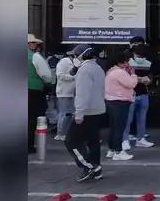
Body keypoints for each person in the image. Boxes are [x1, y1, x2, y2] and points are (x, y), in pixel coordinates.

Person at [66, 44, 105, 182]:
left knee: (71, 141)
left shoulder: (84, 70)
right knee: (93, 141)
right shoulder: (98, 68)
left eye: (75, 55)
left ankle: (89, 167)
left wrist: (79, 114)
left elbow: (83, 94)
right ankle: (97, 168)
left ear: (82, 55)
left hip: (86, 111)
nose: (73, 58)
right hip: (98, 109)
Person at [104, 50, 140, 161]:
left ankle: (111, 149)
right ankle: (118, 152)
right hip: (120, 102)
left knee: (114, 127)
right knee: (119, 128)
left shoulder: (111, 71)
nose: (129, 63)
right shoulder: (119, 72)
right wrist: (133, 74)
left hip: (111, 101)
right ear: (123, 62)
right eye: (128, 61)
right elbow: (131, 83)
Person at [124, 37, 155, 149]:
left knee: (142, 118)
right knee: (128, 119)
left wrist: (149, 79)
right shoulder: (127, 61)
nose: (141, 57)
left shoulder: (149, 61)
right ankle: (125, 140)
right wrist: (138, 79)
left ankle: (140, 138)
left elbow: (152, 74)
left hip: (143, 93)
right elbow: (123, 76)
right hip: (130, 94)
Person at [27, 34, 55, 154]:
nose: (33, 45)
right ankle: (29, 145)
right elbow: (47, 75)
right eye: (31, 43)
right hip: (33, 90)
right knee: (33, 118)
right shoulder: (35, 57)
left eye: (34, 43)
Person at [53, 47, 78, 142]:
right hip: (64, 92)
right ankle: (60, 133)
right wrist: (73, 77)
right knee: (63, 114)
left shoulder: (75, 64)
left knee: (70, 114)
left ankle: (66, 132)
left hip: (72, 92)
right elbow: (59, 75)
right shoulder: (63, 62)